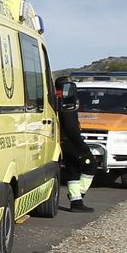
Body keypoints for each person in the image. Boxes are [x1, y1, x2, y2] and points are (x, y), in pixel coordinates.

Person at [53, 77, 98, 212]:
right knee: (90, 166)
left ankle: (76, 201)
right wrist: (81, 144)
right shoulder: (67, 102)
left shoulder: (56, 99)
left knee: (73, 171)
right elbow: (71, 126)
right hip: (71, 141)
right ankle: (79, 193)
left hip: (62, 142)